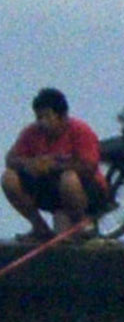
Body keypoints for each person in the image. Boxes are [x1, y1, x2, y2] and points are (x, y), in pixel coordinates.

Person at [4, 89, 107, 237]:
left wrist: (53, 166)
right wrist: (29, 164)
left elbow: (89, 166)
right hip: (49, 189)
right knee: (9, 178)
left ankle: (82, 226)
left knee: (68, 179)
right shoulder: (32, 133)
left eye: (46, 117)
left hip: (85, 190)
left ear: (62, 117)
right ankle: (39, 227)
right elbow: (11, 159)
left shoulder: (80, 131)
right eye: (38, 118)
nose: (41, 123)